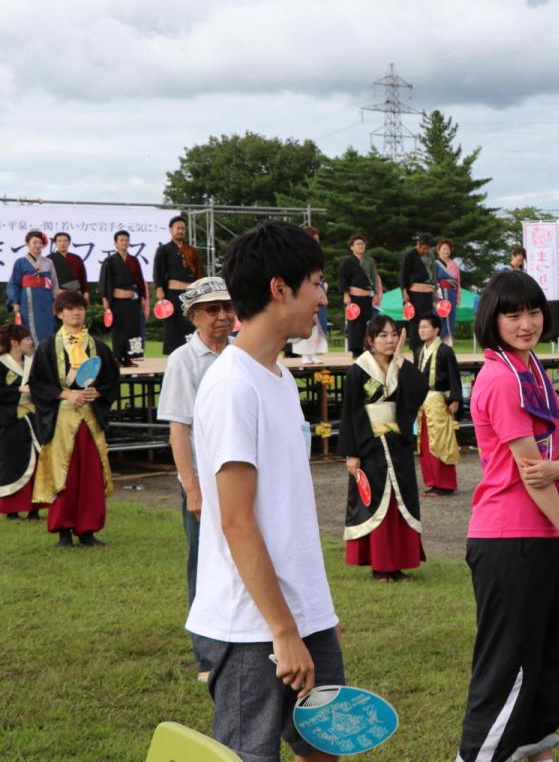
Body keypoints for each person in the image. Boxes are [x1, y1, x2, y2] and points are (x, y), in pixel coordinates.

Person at [186, 220, 343, 762]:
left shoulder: (278, 378)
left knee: (326, 745)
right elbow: (236, 520)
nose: (323, 298)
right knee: (248, 755)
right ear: (280, 289)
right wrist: (282, 630)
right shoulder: (232, 386)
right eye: (317, 284)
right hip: (253, 624)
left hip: (301, 613)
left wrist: (314, 612)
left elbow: (285, 509)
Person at [457, 270, 559, 762]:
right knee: (506, 669)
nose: (526, 322)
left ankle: (533, 751)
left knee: (542, 664)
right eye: (513, 314)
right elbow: (535, 476)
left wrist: (557, 468)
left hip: (536, 536)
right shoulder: (501, 377)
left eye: (533, 311)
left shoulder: (532, 368)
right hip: (509, 538)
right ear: (494, 318)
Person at [155, 277, 234, 683]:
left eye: (227, 308)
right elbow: (178, 430)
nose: (222, 316)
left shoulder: (240, 354)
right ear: (192, 316)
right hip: (204, 482)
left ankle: (242, 645)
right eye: (211, 310)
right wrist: (194, 489)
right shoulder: (183, 360)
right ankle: (207, 656)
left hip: (238, 479)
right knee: (204, 566)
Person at [341, 313, 428, 583]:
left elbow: (418, 390)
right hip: (369, 444)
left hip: (397, 442)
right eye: (383, 335)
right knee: (376, 502)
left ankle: (398, 564)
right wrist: (352, 452)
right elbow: (350, 412)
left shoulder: (400, 365)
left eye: (393, 334)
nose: (390, 340)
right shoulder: (358, 370)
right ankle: (380, 566)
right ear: (370, 340)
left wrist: (402, 359)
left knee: (397, 503)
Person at [29, 290, 119, 548]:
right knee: (63, 475)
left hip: (90, 421)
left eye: (79, 307)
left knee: (90, 475)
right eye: (69, 309)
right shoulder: (47, 347)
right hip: (62, 421)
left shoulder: (98, 346)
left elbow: (113, 380)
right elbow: (37, 384)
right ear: (59, 313)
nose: (76, 312)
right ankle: (63, 531)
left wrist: (97, 392)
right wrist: (65, 393)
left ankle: (88, 530)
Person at [415, 313, 461, 497]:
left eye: (425, 327)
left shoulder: (445, 351)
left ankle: (445, 483)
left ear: (436, 330)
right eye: (420, 327)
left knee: (441, 442)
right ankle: (432, 481)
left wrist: (455, 399)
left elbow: (453, 375)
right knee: (425, 443)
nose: (422, 330)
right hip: (423, 403)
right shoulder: (419, 351)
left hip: (438, 401)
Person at [0, 323, 40, 522]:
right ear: (14, 342)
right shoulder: (1, 364)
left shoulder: (32, 363)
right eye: (26, 339)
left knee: (38, 463)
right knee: (13, 463)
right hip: (11, 420)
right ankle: (12, 509)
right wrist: (17, 392)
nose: (30, 342)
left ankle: (35, 507)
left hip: (33, 419)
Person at [153, 215, 203, 355]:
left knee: (191, 321)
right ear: (171, 230)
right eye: (178, 228)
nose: (180, 231)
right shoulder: (163, 249)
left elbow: (199, 271)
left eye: (183, 228)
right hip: (172, 292)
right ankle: (173, 355)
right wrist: (159, 288)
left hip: (190, 292)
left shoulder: (192, 250)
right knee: (172, 324)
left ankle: (193, 352)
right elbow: (158, 270)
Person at [98, 230, 149, 366]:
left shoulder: (134, 260)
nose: (124, 242)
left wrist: (143, 297)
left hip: (133, 299)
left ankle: (129, 358)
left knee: (132, 329)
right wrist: (105, 299)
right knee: (119, 329)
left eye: (126, 240)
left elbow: (139, 280)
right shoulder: (110, 261)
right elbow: (104, 281)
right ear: (115, 243)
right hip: (117, 300)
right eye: (121, 240)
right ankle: (117, 358)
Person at [7, 230, 59, 345]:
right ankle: (30, 355)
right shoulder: (20, 262)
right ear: (27, 244)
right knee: (27, 327)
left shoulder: (48, 262)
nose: (37, 245)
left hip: (46, 299)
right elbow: (14, 283)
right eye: (34, 242)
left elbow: (54, 282)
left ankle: (46, 351)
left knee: (47, 325)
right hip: (28, 299)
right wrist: (15, 302)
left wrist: (55, 302)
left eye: (40, 243)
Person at [292, 225, 329, 363]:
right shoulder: (298, 255)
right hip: (304, 289)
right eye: (314, 239)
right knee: (305, 320)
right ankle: (304, 355)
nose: (316, 243)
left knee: (317, 323)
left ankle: (313, 352)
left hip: (316, 287)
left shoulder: (317, 255)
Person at [337, 234, 375, 358]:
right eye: (358, 244)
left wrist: (376, 294)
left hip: (367, 296)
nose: (361, 246)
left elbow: (374, 278)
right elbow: (343, 279)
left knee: (367, 322)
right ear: (352, 247)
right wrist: (346, 295)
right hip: (354, 296)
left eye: (362, 244)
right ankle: (356, 350)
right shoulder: (348, 262)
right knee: (355, 324)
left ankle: (367, 347)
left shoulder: (369, 261)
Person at [400, 233, 436, 351]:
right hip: (415, 292)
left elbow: (433, 273)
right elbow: (404, 274)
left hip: (428, 290)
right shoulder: (410, 255)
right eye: (423, 248)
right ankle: (416, 348)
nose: (425, 251)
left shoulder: (431, 255)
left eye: (427, 248)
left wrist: (435, 290)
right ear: (418, 244)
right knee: (416, 320)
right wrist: (404, 292)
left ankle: (427, 345)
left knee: (428, 318)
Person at [47, 232, 89, 305]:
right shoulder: (49, 259)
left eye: (65, 241)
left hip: (76, 293)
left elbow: (83, 277)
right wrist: (56, 290)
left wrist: (85, 292)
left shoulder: (77, 258)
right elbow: (46, 279)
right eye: (59, 241)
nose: (62, 243)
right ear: (55, 243)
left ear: (69, 243)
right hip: (58, 294)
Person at [435, 238, 461, 341]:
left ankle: (448, 341)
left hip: (452, 294)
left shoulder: (454, 265)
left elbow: (458, 282)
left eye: (448, 249)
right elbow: (433, 281)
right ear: (439, 250)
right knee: (441, 317)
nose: (446, 251)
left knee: (451, 317)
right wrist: (436, 297)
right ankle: (438, 340)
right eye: (444, 249)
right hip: (440, 294)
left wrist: (458, 297)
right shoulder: (435, 264)